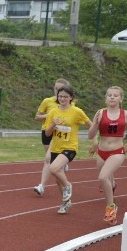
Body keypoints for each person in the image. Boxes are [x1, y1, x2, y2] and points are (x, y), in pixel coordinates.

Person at [87, 86, 127, 225]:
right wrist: (96, 123)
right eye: (109, 95)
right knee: (105, 181)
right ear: (105, 99)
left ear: (121, 99)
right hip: (101, 151)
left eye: (115, 95)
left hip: (117, 151)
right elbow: (91, 135)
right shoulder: (100, 113)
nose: (112, 97)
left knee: (103, 177)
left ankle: (111, 209)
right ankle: (113, 184)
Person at [45, 84, 91, 215]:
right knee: (57, 178)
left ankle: (68, 186)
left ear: (71, 97)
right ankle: (65, 203)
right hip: (55, 147)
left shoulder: (77, 112)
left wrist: (94, 141)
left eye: (65, 97)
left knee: (53, 168)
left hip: (70, 147)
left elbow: (91, 125)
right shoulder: (53, 112)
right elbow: (47, 134)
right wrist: (54, 124)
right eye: (60, 96)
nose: (62, 99)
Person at [33, 78, 71, 196]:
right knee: (50, 160)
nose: (57, 91)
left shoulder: (69, 103)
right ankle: (61, 165)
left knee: (48, 159)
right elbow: (36, 117)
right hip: (46, 132)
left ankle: (42, 186)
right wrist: (48, 115)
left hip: (58, 135)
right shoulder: (47, 101)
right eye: (55, 88)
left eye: (59, 89)